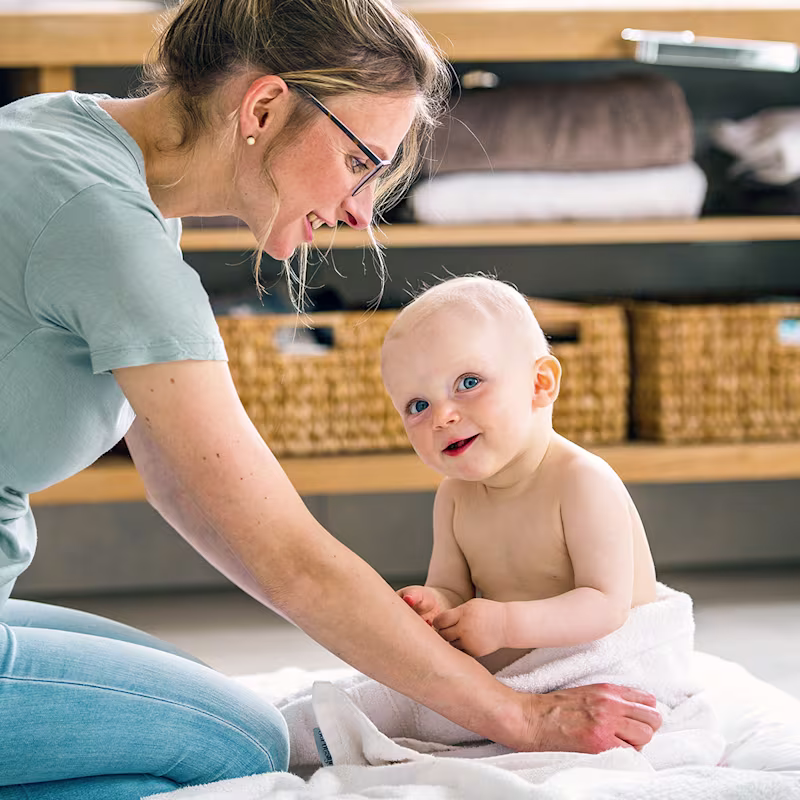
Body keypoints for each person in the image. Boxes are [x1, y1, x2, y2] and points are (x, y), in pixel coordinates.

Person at [0, 0, 661, 796]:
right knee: (237, 742)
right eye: (360, 162)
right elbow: (288, 555)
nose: (358, 209)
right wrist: (519, 718)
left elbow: (186, 487)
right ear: (265, 106)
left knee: (191, 690)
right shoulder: (106, 229)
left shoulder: (66, 141)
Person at [382, 276, 659, 674]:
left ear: (540, 384)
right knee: (396, 694)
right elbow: (452, 590)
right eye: (418, 405)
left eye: (468, 383)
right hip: (517, 668)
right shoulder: (454, 496)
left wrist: (506, 624)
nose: (443, 417)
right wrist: (434, 604)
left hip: (606, 663)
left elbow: (606, 605)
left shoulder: (581, 482)